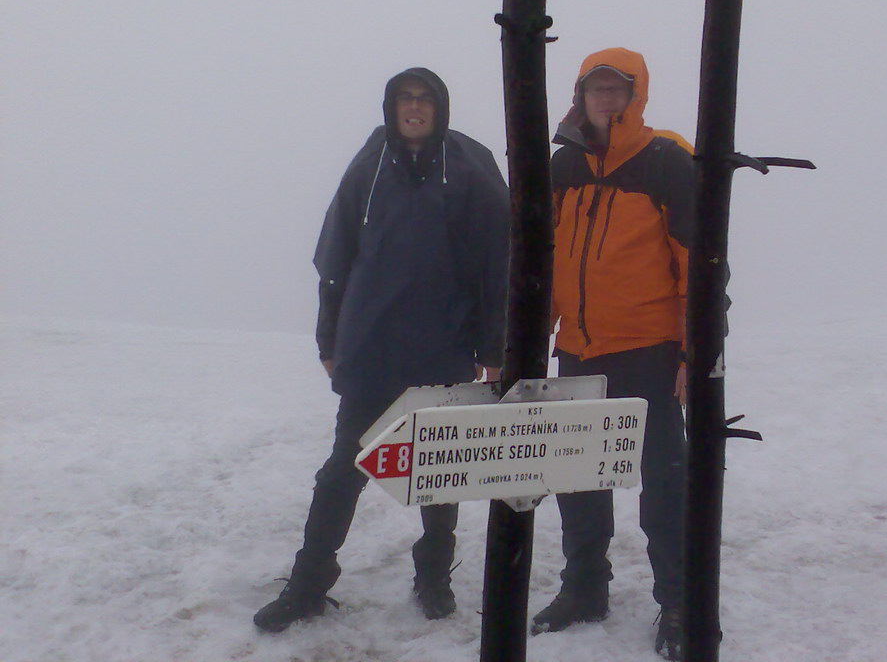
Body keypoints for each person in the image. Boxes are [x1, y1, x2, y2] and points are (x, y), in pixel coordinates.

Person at [253, 67, 509, 633]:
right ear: (391, 108)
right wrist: (329, 338)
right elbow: (334, 261)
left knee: (440, 470)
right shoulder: (368, 169)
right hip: (372, 348)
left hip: (443, 347)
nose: (414, 108)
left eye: (424, 99)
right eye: (404, 99)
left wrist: (495, 346)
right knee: (344, 470)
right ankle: (309, 583)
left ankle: (434, 575)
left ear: (440, 108)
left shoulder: (470, 168)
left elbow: (498, 263)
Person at [531, 48, 694, 661]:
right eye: (595, 88)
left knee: (663, 482)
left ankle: (679, 601)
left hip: (649, 349)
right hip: (577, 349)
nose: (605, 99)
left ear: (636, 95)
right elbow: (544, 263)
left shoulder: (665, 163)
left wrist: (693, 352)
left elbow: (698, 265)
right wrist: (526, 342)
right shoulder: (564, 166)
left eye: (616, 89)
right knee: (578, 476)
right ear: (581, 95)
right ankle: (584, 588)